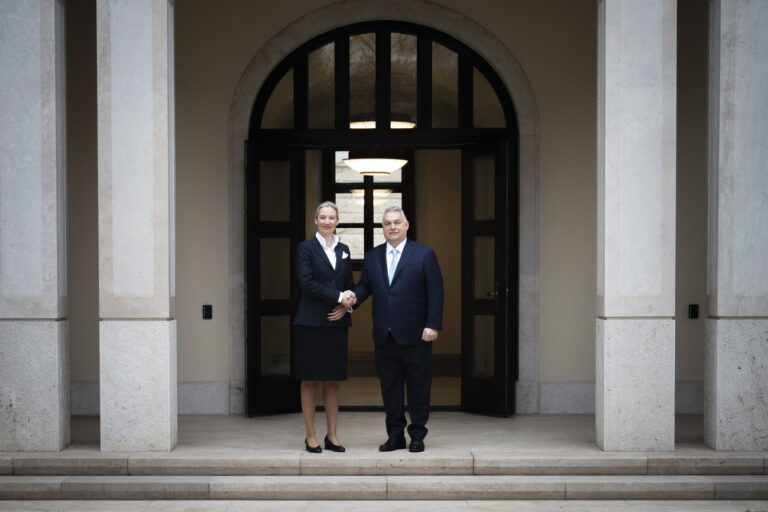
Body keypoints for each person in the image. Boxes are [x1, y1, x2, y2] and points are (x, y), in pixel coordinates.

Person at [350, 205, 444, 452]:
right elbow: (365, 287)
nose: (392, 227)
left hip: (416, 335)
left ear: (406, 225)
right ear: (383, 228)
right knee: (390, 390)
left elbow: (435, 293)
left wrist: (432, 325)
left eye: (396, 222)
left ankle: (417, 436)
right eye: (387, 223)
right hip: (384, 335)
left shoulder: (424, 255)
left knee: (418, 388)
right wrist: (350, 300)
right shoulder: (372, 257)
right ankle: (395, 436)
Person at [293, 201, 356, 453]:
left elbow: (349, 283)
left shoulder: (344, 249)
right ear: (315, 221)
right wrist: (339, 297)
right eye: (323, 217)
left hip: (336, 322)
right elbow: (306, 284)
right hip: (310, 322)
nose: (327, 221)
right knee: (309, 380)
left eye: (332, 217)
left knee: (332, 381)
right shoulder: (305, 248)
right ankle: (310, 435)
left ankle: (332, 435)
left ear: (337, 221)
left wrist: (346, 304)